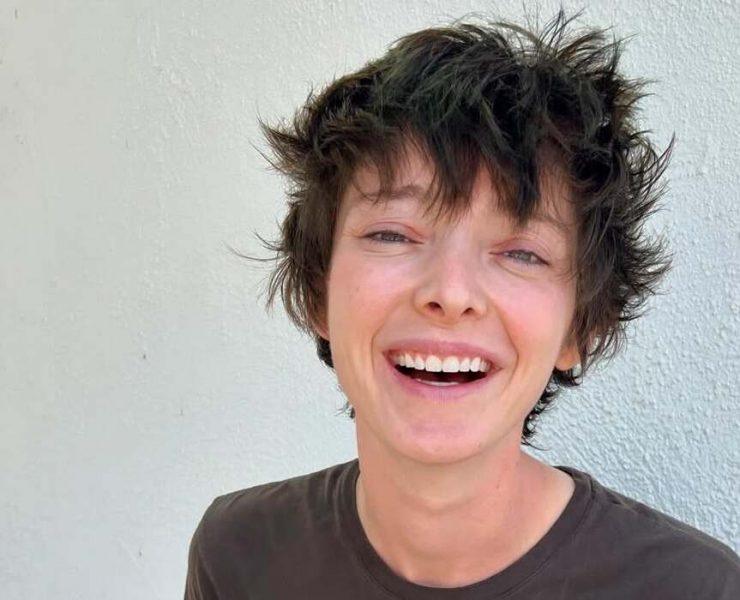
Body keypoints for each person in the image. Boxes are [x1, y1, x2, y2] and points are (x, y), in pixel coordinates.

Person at [184, 11, 740, 599]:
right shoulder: (239, 555)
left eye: (521, 252)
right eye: (392, 234)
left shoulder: (694, 590)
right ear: (317, 291)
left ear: (579, 327)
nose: (450, 294)